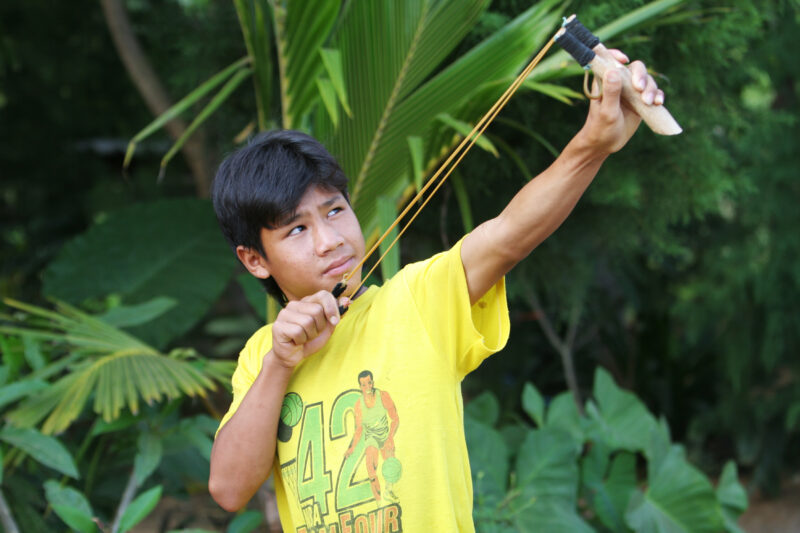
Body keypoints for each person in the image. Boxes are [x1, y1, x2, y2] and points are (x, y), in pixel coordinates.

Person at [208, 51, 664, 533]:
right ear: (255, 259)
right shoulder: (262, 357)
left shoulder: (418, 301)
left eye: (335, 210)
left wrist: (592, 145)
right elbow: (230, 490)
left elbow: (508, 234)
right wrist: (280, 363)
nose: (330, 240)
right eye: (296, 230)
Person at [344, 370, 400, 504]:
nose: (367, 387)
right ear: (360, 387)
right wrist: (351, 449)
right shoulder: (359, 405)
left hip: (385, 434)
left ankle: (389, 491)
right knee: (370, 465)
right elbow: (359, 430)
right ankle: (379, 501)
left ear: (373, 383)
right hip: (372, 438)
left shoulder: (383, 396)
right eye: (363, 385)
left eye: (369, 383)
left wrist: (390, 437)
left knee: (390, 464)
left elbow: (395, 419)